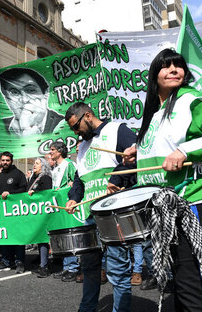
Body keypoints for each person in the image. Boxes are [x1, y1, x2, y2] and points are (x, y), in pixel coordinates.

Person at [123, 49, 202, 312]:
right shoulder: (154, 114)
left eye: (178, 66)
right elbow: (160, 156)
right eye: (166, 66)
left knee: (192, 284)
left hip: (194, 201)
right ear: (154, 75)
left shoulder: (191, 100)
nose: (173, 70)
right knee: (180, 280)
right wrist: (138, 149)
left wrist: (187, 150)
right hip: (165, 208)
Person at [65, 102, 137, 312]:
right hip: (90, 216)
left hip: (115, 215)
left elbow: (136, 155)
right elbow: (80, 179)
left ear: (87, 116)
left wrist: (117, 178)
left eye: (76, 126)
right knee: (89, 267)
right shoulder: (83, 146)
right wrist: (74, 197)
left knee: (117, 269)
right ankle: (86, 309)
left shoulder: (117, 130)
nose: (75, 132)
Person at [0, 151, 28, 273]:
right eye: (3, 160)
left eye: (7, 160)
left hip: (15, 213)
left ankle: (20, 262)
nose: (5, 162)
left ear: (11, 161)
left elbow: (23, 189)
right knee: (5, 237)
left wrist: (11, 194)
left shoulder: (18, 174)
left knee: (18, 238)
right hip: (1, 213)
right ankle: (6, 261)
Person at [0, 67, 64, 136]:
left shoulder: (65, 125)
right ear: (6, 98)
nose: (24, 99)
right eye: (14, 92)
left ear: (46, 93)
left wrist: (30, 130)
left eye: (30, 90)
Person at [49, 141, 81, 282]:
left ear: (60, 151)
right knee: (62, 236)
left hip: (67, 204)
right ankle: (66, 266)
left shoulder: (69, 165)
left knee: (69, 235)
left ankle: (73, 267)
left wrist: (71, 185)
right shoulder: (56, 168)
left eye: (53, 150)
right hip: (58, 205)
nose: (51, 152)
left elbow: (77, 181)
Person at [27, 158, 53, 278]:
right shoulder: (33, 178)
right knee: (39, 238)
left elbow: (47, 193)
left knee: (43, 239)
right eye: (34, 163)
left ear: (43, 166)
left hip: (43, 213)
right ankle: (42, 263)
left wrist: (35, 192)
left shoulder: (45, 178)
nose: (34, 165)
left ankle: (44, 267)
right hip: (34, 214)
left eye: (37, 163)